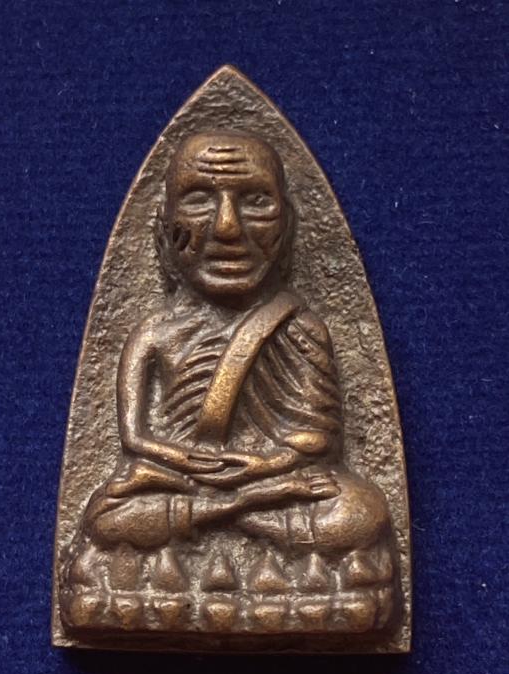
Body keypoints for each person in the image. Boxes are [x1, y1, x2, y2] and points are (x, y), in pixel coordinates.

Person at [63, 132, 398, 633]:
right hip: (183, 479)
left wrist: (264, 467)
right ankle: (241, 520)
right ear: (164, 225)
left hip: (268, 484)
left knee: (360, 511)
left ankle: (224, 523)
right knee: (106, 513)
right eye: (199, 199)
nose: (227, 228)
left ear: (287, 225)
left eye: (256, 201)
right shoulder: (153, 333)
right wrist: (190, 465)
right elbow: (134, 439)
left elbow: (317, 439)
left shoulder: (299, 326)